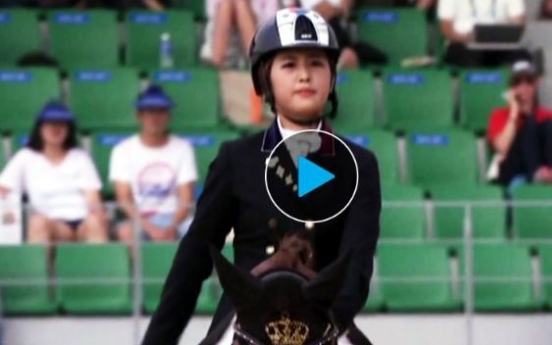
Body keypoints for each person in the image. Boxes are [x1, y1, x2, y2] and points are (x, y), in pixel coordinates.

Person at [142, 8, 381, 344]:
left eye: (316, 63)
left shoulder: (360, 164)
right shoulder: (235, 159)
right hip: (246, 318)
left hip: (325, 320)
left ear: (331, 78)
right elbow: (193, 259)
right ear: (264, 79)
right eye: (289, 64)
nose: (304, 76)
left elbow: (356, 266)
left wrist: (321, 321)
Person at [0, 101, 107, 243]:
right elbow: (3, 188)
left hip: (82, 223)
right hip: (52, 224)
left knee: (96, 221)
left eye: (61, 125)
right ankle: (37, 265)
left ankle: (101, 265)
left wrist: (97, 215)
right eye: (51, 124)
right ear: (40, 128)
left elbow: (93, 198)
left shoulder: (81, 157)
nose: (56, 129)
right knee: (37, 222)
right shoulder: (25, 157)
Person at [109, 85, 197, 243]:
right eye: (149, 112)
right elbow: (124, 199)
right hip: (140, 218)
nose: (155, 118)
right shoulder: (122, 150)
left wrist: (171, 227)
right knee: (126, 232)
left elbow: (186, 198)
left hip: (175, 217)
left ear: (168, 116)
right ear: (139, 116)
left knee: (202, 232)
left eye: (160, 112)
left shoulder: (183, 148)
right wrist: (151, 228)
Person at [487, 60, 552, 187]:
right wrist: (514, 112)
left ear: (536, 84)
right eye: (517, 83)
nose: (524, 87)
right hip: (512, 170)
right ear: (511, 88)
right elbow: (502, 148)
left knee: (548, 125)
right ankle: (536, 174)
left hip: (543, 166)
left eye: (529, 81)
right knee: (530, 124)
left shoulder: (547, 115)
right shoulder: (499, 114)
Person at [438, 0, 531, 67]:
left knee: (523, 59)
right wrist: (465, 38)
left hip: (499, 45)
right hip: (463, 45)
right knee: (473, 59)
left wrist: (511, 31)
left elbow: (519, 22)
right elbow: (446, 28)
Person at [299, 0, 388, 67]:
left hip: (339, 32)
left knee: (352, 54)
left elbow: (345, 5)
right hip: (312, 33)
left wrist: (337, 10)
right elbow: (321, 8)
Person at [200, 0, 280, 68]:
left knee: (241, 3)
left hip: (255, 47)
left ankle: (257, 62)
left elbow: (269, 26)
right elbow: (214, 16)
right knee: (227, 4)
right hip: (220, 49)